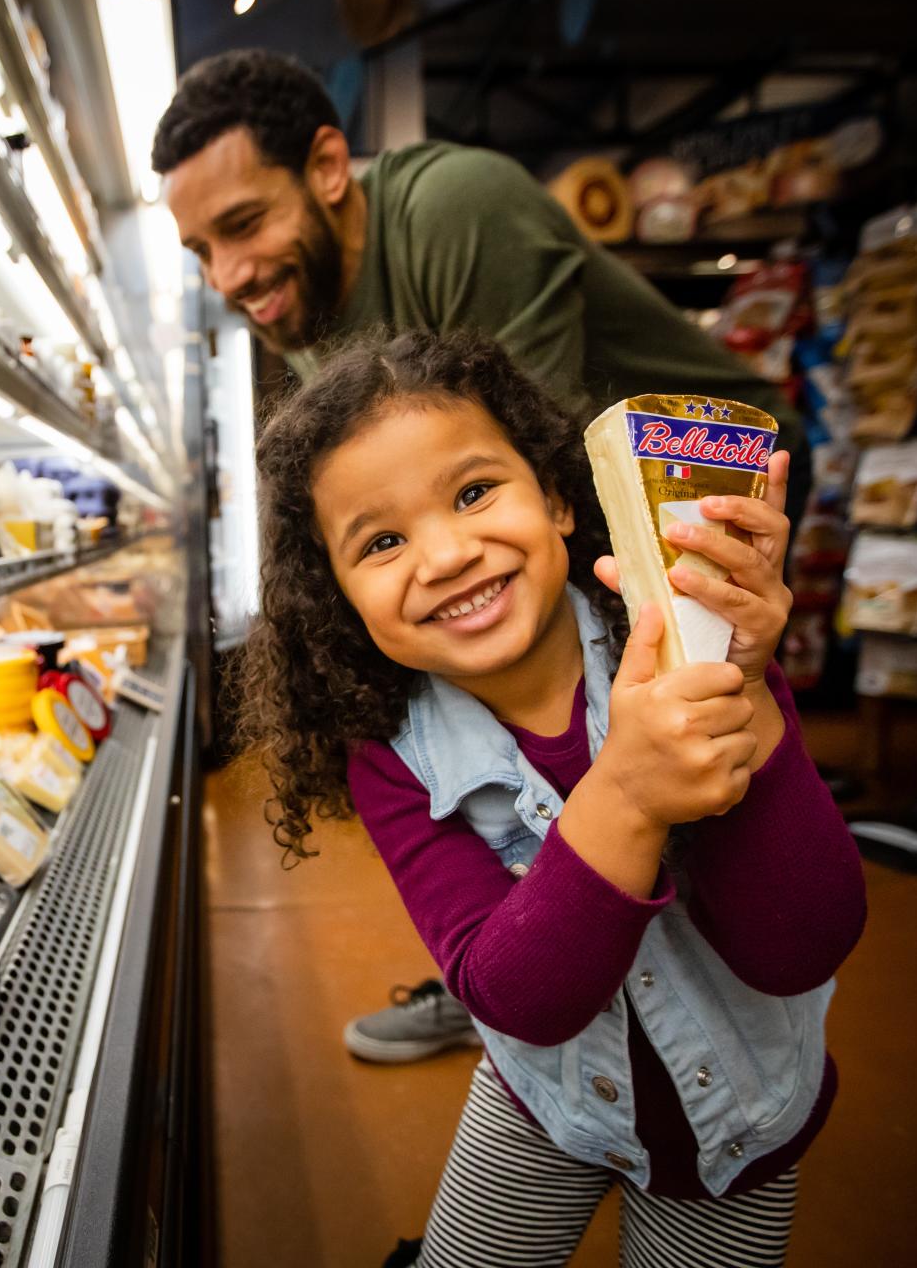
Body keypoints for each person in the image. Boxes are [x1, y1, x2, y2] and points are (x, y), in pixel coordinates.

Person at [155, 48, 817, 1058]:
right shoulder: (305, 294)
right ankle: (517, 957)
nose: (229, 274)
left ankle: (659, 994)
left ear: (329, 166)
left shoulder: (458, 207)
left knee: (660, 762)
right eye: (202, 248)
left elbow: (526, 445)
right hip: (551, 522)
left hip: (694, 478)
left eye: (243, 225)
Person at [237, 331, 864, 1265]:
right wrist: (632, 792)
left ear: (561, 498)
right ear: (337, 598)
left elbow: (803, 943)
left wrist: (740, 686)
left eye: (475, 492)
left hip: (743, 1124)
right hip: (547, 1099)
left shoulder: (695, 647)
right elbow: (516, 997)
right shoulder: (390, 754)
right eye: (382, 540)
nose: (446, 554)